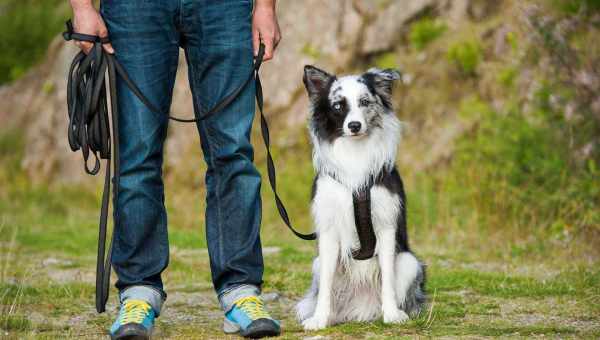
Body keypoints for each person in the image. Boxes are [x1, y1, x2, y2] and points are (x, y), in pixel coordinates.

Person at [68, 0, 282, 338]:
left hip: (224, 8)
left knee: (233, 153)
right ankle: (139, 293)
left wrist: (266, 7)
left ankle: (240, 291)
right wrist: (82, 6)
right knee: (136, 155)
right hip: (134, 8)